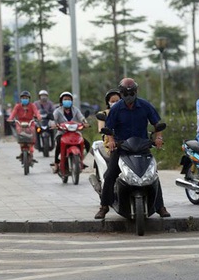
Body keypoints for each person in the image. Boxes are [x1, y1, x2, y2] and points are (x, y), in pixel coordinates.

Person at [95, 78, 170, 219]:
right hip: (121, 147)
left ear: (136, 91)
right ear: (121, 93)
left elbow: (156, 123)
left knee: (153, 174)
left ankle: (160, 206)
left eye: (131, 92)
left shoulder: (145, 105)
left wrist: (158, 138)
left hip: (142, 146)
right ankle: (104, 206)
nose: (129, 96)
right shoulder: (116, 108)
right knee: (110, 174)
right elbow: (108, 128)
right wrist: (111, 141)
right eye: (125, 93)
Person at [51, 92, 90, 173]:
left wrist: (85, 123)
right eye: (65, 99)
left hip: (75, 133)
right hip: (62, 133)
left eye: (69, 99)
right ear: (61, 101)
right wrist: (53, 125)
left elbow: (81, 118)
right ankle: (56, 163)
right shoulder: (57, 111)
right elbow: (53, 119)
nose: (67, 101)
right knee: (58, 143)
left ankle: (80, 159)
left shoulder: (75, 110)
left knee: (87, 144)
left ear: (72, 101)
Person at [8, 91, 42, 161]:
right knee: (20, 135)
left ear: (29, 99)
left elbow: (36, 112)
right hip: (20, 123)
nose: (25, 99)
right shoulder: (18, 106)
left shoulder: (32, 105)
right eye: (23, 98)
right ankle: (22, 150)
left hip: (30, 122)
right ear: (21, 99)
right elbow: (13, 113)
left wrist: (39, 117)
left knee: (32, 134)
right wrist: (10, 119)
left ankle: (31, 151)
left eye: (26, 98)